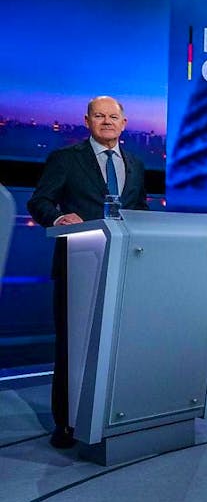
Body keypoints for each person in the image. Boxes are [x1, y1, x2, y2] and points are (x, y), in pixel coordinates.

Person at [27, 96, 149, 448]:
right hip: (78, 263)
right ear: (87, 121)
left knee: (118, 345)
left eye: (114, 116)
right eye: (100, 116)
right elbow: (40, 201)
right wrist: (58, 218)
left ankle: (112, 415)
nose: (107, 121)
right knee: (73, 346)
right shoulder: (66, 159)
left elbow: (137, 210)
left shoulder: (136, 164)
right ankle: (66, 423)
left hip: (124, 265)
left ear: (124, 124)